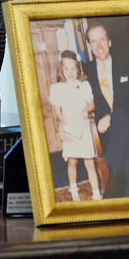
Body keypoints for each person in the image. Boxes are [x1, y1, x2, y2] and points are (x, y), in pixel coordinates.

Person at [83, 23, 129, 197]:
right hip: (103, 135)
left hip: (128, 127)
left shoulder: (126, 68)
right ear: (89, 46)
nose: (99, 45)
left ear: (109, 42)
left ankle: (115, 178)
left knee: (125, 127)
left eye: (102, 39)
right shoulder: (85, 73)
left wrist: (112, 117)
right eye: (94, 41)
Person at [49, 50, 101, 202]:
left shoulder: (84, 85)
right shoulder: (58, 88)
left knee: (89, 161)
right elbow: (56, 109)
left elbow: (91, 103)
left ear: (78, 69)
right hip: (69, 127)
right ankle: (73, 187)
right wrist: (61, 121)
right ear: (61, 69)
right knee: (72, 161)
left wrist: (87, 109)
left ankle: (96, 192)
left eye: (73, 68)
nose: (70, 72)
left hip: (83, 127)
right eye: (67, 69)